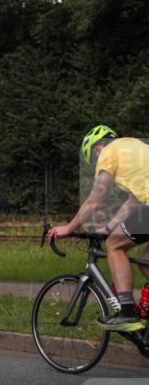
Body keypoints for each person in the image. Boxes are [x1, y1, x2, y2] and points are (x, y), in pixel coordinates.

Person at [47, 125, 149, 331]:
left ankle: (127, 314)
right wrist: (109, 226)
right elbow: (133, 201)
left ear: (96, 149)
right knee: (145, 262)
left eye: (95, 158)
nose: (97, 162)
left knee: (114, 245)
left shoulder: (108, 152)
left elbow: (95, 200)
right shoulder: (135, 147)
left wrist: (68, 227)